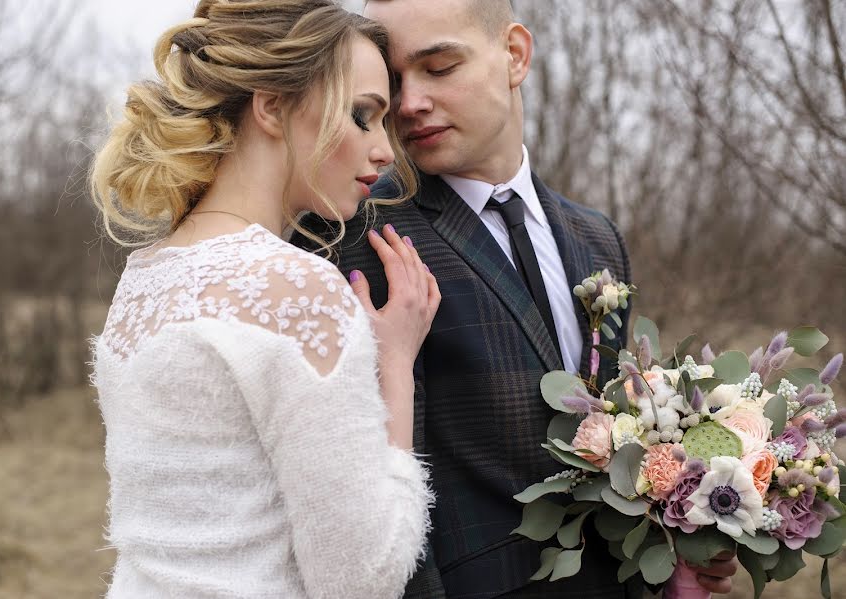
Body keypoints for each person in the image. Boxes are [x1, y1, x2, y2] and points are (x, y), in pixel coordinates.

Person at [293, 1, 738, 597]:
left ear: (515, 55)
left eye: (440, 67)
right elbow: (371, 489)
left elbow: (617, 444)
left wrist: (680, 538)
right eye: (395, 81)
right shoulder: (356, 234)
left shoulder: (596, 236)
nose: (408, 103)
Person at [88, 1, 441, 597]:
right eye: (362, 115)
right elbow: (363, 575)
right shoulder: (298, 290)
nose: (384, 150)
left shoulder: (143, 278)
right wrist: (395, 366)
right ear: (272, 106)